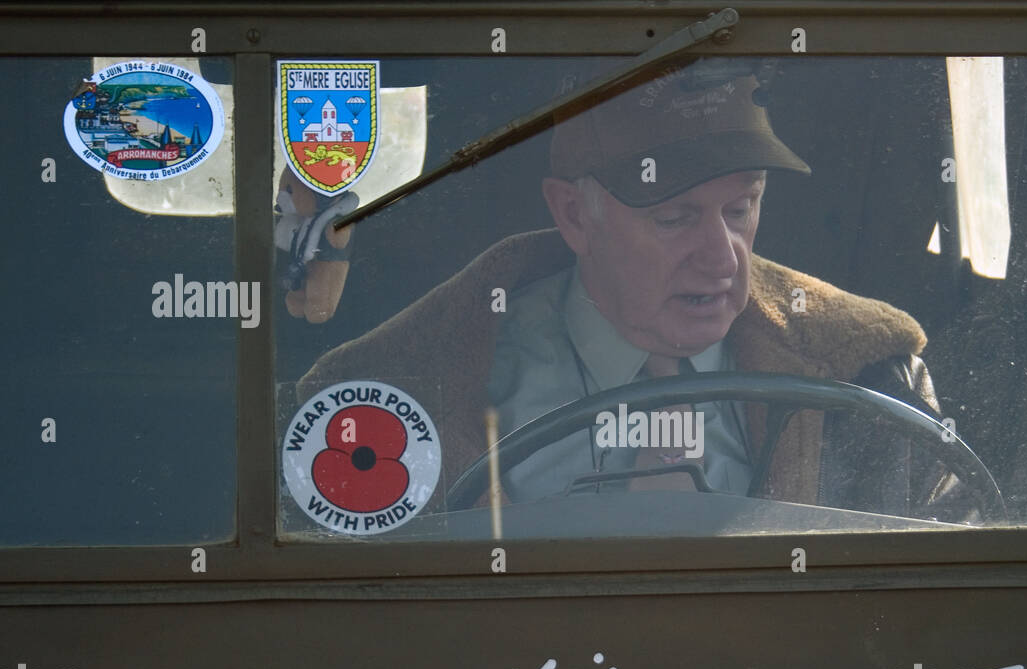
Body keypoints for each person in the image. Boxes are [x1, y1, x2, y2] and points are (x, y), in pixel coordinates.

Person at [298, 66, 965, 519]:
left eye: (741, 210)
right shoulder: (395, 389)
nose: (721, 255)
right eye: (674, 218)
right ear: (573, 216)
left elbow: (938, 603)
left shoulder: (874, 375)